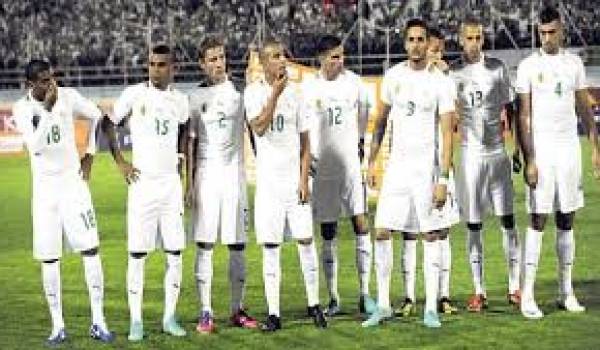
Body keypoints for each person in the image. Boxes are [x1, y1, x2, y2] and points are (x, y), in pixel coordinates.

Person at [13, 59, 114, 345]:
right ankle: (58, 326)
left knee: (91, 249)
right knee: (49, 258)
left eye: (52, 78)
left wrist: (91, 154)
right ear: (29, 85)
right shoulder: (23, 109)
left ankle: (98, 321)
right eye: (43, 81)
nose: (51, 85)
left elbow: (97, 116)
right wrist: (48, 110)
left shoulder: (68, 97)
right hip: (45, 195)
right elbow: (35, 146)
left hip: (73, 187)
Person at [363, 19, 455, 329]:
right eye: (411, 39)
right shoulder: (393, 77)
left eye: (421, 39)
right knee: (382, 231)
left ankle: (430, 307)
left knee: (430, 234)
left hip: (425, 170)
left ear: (429, 43)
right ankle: (385, 304)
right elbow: (380, 123)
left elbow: (447, 135)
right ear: (405, 44)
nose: (416, 45)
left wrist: (442, 180)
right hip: (397, 169)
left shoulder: (441, 82)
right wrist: (372, 162)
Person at [516, 6, 600, 319]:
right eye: (542, 33)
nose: (547, 38)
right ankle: (527, 295)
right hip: (543, 150)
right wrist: (530, 159)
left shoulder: (574, 63)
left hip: (568, 152)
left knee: (567, 219)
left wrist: (595, 147)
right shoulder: (527, 67)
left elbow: (584, 108)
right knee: (538, 219)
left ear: (561, 30)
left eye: (552, 32)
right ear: (538, 32)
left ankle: (566, 292)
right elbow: (523, 116)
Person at [101, 45, 189, 340]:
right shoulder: (134, 94)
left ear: (172, 68)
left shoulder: (180, 101)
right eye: (151, 63)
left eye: (161, 64)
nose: (155, 69)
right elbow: (108, 124)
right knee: (137, 255)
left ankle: (169, 317)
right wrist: (121, 162)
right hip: (142, 186)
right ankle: (136, 321)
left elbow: (185, 133)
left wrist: (182, 168)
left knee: (175, 253)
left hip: (170, 186)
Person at [244, 40, 327, 332]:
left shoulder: (298, 93)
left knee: (305, 241)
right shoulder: (253, 93)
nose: (282, 61)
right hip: (268, 184)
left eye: (284, 56)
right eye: (275, 57)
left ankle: (314, 304)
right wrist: (275, 95)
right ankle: (275, 313)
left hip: (294, 182)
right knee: (271, 247)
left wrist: (304, 180)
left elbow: (306, 143)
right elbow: (259, 127)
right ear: (264, 63)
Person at [449, 16, 522, 312]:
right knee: (474, 225)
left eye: (479, 37)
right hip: (470, 156)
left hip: (497, 153)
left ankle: (515, 287)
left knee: (507, 221)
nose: (474, 43)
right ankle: (479, 291)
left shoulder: (497, 69)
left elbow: (511, 110)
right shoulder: (451, 74)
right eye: (469, 38)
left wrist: (516, 147)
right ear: (461, 40)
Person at [186, 36, 258, 334]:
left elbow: (254, 130)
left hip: (233, 177)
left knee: (237, 244)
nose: (218, 63)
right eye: (212, 59)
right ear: (202, 64)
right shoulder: (194, 98)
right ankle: (206, 311)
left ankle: (237, 309)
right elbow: (190, 143)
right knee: (204, 244)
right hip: (205, 177)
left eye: (221, 57)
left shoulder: (240, 92)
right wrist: (188, 183)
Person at [302, 34, 375, 316]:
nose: (340, 61)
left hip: (349, 167)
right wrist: (307, 157)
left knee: (361, 223)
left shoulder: (354, 83)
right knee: (328, 231)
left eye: (342, 55)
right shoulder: (309, 88)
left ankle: (365, 293)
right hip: (322, 170)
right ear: (321, 59)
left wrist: (356, 145)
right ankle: (333, 297)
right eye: (334, 56)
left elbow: (363, 116)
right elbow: (304, 127)